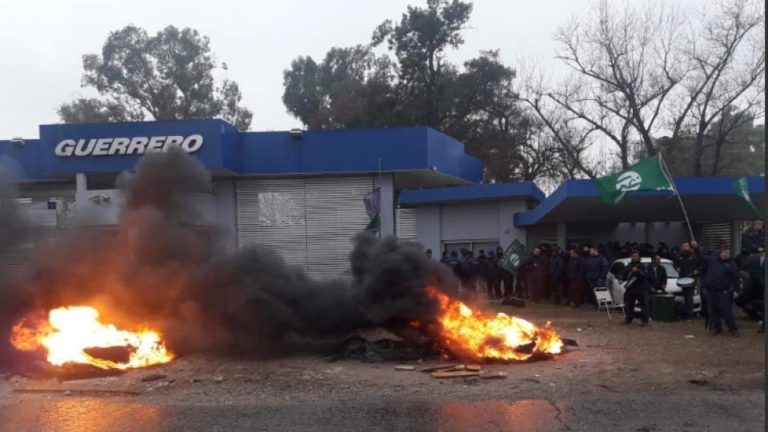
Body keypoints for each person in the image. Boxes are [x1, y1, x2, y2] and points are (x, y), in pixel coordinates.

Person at [699, 247, 740, 336]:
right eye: (724, 252)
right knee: (714, 311)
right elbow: (701, 257)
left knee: (727, 311)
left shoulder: (731, 265)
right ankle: (717, 328)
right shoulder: (712, 261)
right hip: (711, 291)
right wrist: (696, 248)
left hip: (724, 291)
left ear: (730, 255)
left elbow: (736, 279)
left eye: (727, 253)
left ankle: (733, 329)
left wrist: (736, 290)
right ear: (720, 253)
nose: (725, 254)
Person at [622, 252, 651, 327]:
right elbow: (624, 275)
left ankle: (644, 321)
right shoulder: (628, 265)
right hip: (631, 288)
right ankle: (628, 319)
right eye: (633, 256)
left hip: (640, 288)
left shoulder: (642, 266)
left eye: (636, 256)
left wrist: (638, 272)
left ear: (639, 257)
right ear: (631, 257)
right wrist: (622, 279)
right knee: (629, 305)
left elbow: (646, 276)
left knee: (643, 305)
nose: (635, 257)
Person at [675, 242, 699, 320]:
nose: (684, 247)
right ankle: (684, 314)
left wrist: (696, 270)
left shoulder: (693, 256)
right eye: (683, 246)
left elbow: (699, 264)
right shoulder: (679, 257)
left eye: (686, 246)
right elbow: (674, 264)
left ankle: (690, 315)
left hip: (691, 278)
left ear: (689, 247)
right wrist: (677, 268)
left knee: (689, 297)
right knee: (685, 297)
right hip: (682, 279)